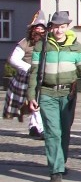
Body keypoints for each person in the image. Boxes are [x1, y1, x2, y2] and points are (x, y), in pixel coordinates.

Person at [26, 11, 81, 182]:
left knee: (64, 131)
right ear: (51, 27)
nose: (59, 30)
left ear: (67, 27)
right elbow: (35, 72)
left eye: (63, 26)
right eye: (56, 26)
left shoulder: (76, 47)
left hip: (68, 94)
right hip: (46, 93)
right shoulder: (42, 47)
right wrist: (31, 96)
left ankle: (61, 162)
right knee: (52, 132)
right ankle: (55, 170)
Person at [3, 10, 47, 138]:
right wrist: (29, 68)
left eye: (42, 28)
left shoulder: (47, 42)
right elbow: (13, 59)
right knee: (36, 101)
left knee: (40, 101)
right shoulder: (25, 42)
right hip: (28, 77)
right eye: (37, 28)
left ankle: (33, 126)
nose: (40, 31)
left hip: (44, 76)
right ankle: (39, 127)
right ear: (33, 29)